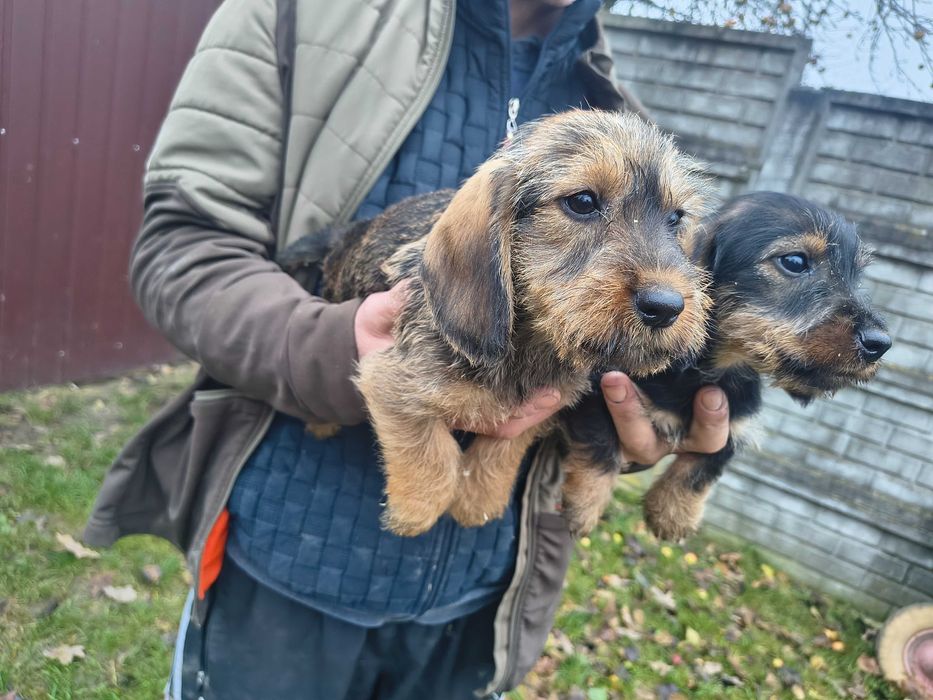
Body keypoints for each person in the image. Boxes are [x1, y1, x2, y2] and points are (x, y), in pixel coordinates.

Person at [84, 0, 730, 697]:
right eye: (580, 204)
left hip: (483, 601)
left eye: (673, 220)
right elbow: (181, 248)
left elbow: (609, 335)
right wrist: (327, 354)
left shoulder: (611, 103)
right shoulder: (297, 14)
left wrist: (619, 425)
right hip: (285, 563)